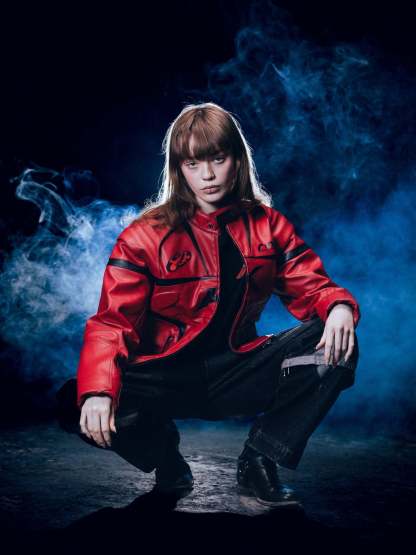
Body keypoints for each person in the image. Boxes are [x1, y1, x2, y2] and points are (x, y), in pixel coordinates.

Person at [56, 102, 360, 506]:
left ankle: (259, 460)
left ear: (238, 160)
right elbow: (113, 323)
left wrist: (338, 307)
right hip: (166, 377)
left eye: (218, 159)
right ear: (178, 169)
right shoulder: (144, 236)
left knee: (337, 341)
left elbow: (313, 286)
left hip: (238, 372)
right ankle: (167, 462)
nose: (208, 175)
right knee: (75, 397)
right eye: (193, 164)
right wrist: (98, 391)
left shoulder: (269, 226)